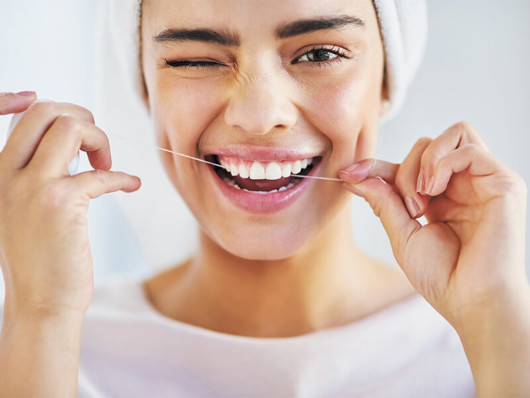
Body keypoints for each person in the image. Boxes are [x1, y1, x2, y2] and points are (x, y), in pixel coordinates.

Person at [1, 0, 529, 396]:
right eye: (194, 60)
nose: (257, 113)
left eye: (320, 53)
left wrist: (494, 320)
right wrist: (41, 317)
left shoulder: (488, 342)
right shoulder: (48, 346)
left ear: (388, 80)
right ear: (145, 88)